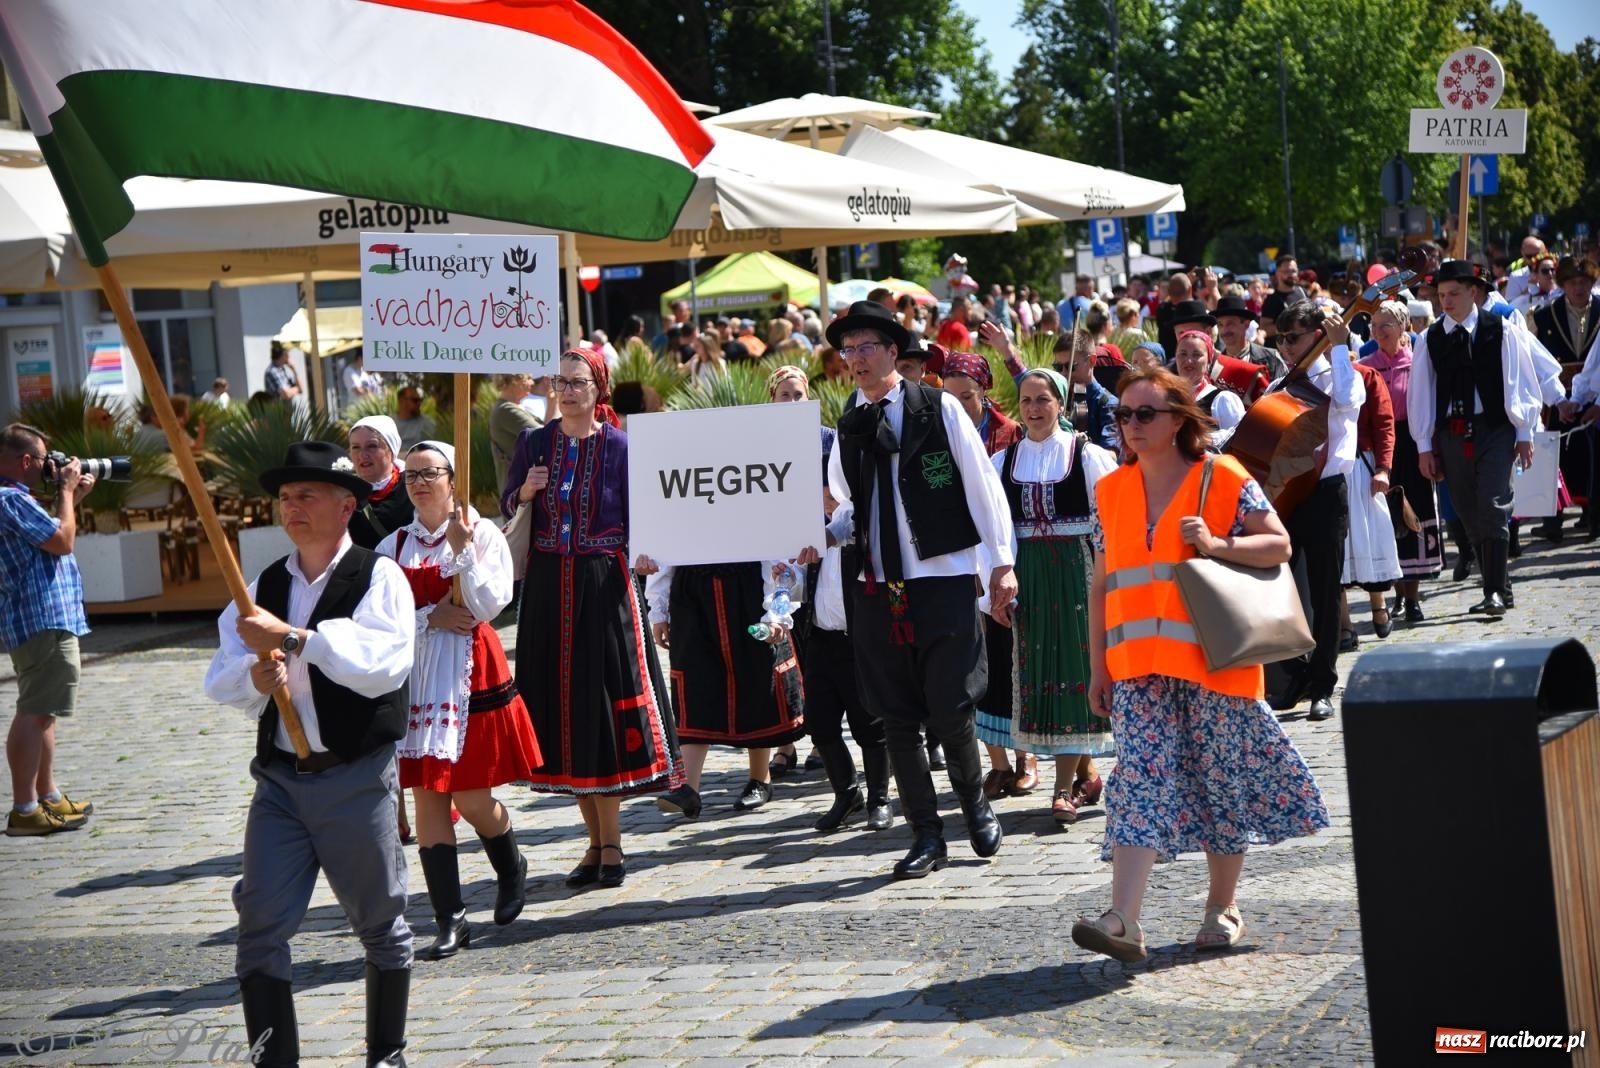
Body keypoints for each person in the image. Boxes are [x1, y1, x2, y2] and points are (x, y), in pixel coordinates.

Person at [1071, 369, 1327, 962]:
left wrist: (1217, 544)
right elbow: (1101, 586)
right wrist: (1098, 667)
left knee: (1220, 782)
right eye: (1124, 415)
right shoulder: (1110, 489)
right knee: (1137, 780)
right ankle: (1123, 920)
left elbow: (1279, 544)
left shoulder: (1224, 475)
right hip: (1137, 667)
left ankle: (1221, 906)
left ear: (1179, 420)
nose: (1132, 425)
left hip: (1215, 661)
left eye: (1145, 414)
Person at [202, 440, 416, 1067]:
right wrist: (255, 678)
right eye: (286, 497)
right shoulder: (264, 584)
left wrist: (299, 640)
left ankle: (386, 1053)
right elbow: (222, 674)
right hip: (280, 782)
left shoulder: (379, 575)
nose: (292, 507)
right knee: (259, 925)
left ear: (346, 505)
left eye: (307, 495)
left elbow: (383, 665)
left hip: (355, 774)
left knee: (380, 923)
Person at [824, 300, 1017, 880]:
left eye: (866, 347)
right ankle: (926, 834)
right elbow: (847, 502)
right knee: (896, 716)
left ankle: (974, 804)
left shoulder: (938, 407)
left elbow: (982, 486)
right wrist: (823, 533)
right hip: (877, 585)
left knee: (951, 705)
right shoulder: (850, 422)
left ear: (892, 352)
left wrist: (1001, 563)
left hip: (942, 576)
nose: (856, 359)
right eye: (848, 350)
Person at [504, 349, 680, 888]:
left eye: (578, 382)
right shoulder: (533, 443)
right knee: (565, 716)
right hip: (548, 588)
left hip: (603, 585)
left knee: (601, 710)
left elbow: (647, 515)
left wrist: (648, 553)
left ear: (598, 388)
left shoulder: (621, 447)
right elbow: (507, 504)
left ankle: (613, 843)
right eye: (560, 382)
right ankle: (593, 843)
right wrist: (525, 491)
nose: (568, 391)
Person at [377, 441, 542, 959]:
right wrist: (431, 616)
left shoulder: (480, 531)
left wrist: (463, 552)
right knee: (428, 797)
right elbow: (379, 617)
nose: (420, 483)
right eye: (411, 476)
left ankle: (510, 864)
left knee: (471, 798)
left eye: (430, 473)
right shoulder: (392, 546)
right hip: (418, 674)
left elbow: (492, 603)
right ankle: (450, 917)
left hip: (468, 671)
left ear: (454, 480)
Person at [987, 370, 1117, 825]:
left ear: (1060, 404)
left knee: (1075, 669)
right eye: (1026, 400)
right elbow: (994, 529)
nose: (1034, 408)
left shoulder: (1086, 455)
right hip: (1029, 577)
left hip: (1077, 574)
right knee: (1041, 672)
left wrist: (1109, 578)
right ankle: (1086, 775)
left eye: (1043, 399)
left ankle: (1063, 789)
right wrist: (995, 585)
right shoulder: (1003, 461)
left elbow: (1109, 519)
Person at [765, 366, 892, 830]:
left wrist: (837, 519)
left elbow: (857, 524)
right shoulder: (807, 533)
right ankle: (847, 794)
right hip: (819, 635)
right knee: (819, 723)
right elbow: (790, 579)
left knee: (869, 723)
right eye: (784, 394)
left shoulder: (857, 525)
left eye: (799, 394)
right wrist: (777, 613)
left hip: (860, 635)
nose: (825, 496)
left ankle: (879, 798)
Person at [1410, 261, 1543, 617]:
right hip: (1452, 433)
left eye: (1454, 293)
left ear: (1474, 292)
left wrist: (1525, 431)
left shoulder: (1501, 330)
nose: (1446, 301)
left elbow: (1520, 381)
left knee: (1493, 504)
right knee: (1468, 511)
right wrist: (1424, 446)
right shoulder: (1430, 339)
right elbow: (1421, 394)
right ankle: (1501, 587)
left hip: (1495, 429)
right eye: (1441, 295)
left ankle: (1493, 592)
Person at [1264, 301, 1366, 721]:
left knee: (1325, 591)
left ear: (1318, 337)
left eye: (1294, 338)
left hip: (1325, 492)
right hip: (1287, 494)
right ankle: (1295, 676)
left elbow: (1347, 400)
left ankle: (1323, 683)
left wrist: (1339, 347)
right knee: (1278, 587)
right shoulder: (1281, 384)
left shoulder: (1342, 374)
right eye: (1281, 339)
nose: (1286, 347)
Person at [1, 425, 95, 837]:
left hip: (41, 618)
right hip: (39, 618)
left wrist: (72, 498)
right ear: (26, 461)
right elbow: (62, 540)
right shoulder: (9, 499)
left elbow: (52, 534)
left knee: (44, 710)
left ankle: (47, 796)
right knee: (34, 710)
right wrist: (67, 493)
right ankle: (24, 808)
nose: (49, 466)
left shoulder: (15, 499)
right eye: (43, 459)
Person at [1361, 300, 1442, 621]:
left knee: (1415, 514)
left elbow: (1429, 407)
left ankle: (1413, 598)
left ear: (1403, 327)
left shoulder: (1418, 362)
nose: (1379, 331)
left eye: (1386, 325)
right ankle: (1396, 593)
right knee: (1387, 518)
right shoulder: (1366, 365)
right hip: (1382, 447)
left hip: (1412, 442)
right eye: (1374, 326)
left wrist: (1431, 450)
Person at [1337, 349, 1400, 648]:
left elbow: (1384, 423)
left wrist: (1383, 468)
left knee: (1369, 537)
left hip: (1362, 466)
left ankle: (1379, 604)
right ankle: (1344, 624)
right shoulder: (1311, 377)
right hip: (1326, 468)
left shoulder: (1366, 376)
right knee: (1335, 545)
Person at [347, 416, 413, 551]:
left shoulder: (412, 485)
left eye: (372, 446)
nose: (362, 455)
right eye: (356, 447)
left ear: (391, 450)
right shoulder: (345, 492)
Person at [1174, 329, 1245, 440]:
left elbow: (1239, 442)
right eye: (1183, 354)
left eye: (1196, 355)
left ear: (1209, 362)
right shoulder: (1165, 397)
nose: (1188, 361)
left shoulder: (1222, 400)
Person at [1214, 295, 1288, 382]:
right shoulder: (1215, 364)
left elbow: (1286, 388)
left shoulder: (1271, 358)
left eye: (1230, 323)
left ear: (1246, 324)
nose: (1224, 330)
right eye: (1220, 324)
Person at [490, 373, 543, 493]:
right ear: (514, 380)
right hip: (520, 491)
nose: (532, 383)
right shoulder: (506, 410)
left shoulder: (512, 407)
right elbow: (546, 435)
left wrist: (552, 400)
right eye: (528, 378)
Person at [394, 387, 434, 451]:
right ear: (402, 401)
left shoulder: (427, 423)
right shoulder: (390, 423)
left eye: (420, 400)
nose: (419, 403)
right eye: (415, 400)